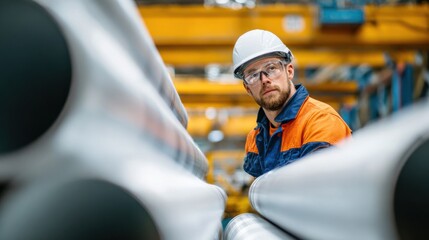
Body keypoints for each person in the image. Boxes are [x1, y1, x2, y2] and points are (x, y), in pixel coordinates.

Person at [232, 29, 352, 178]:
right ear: (247, 88)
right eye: (253, 75)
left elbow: (323, 190)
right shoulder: (255, 139)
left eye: (271, 68)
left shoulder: (321, 121)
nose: (264, 80)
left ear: (289, 71)